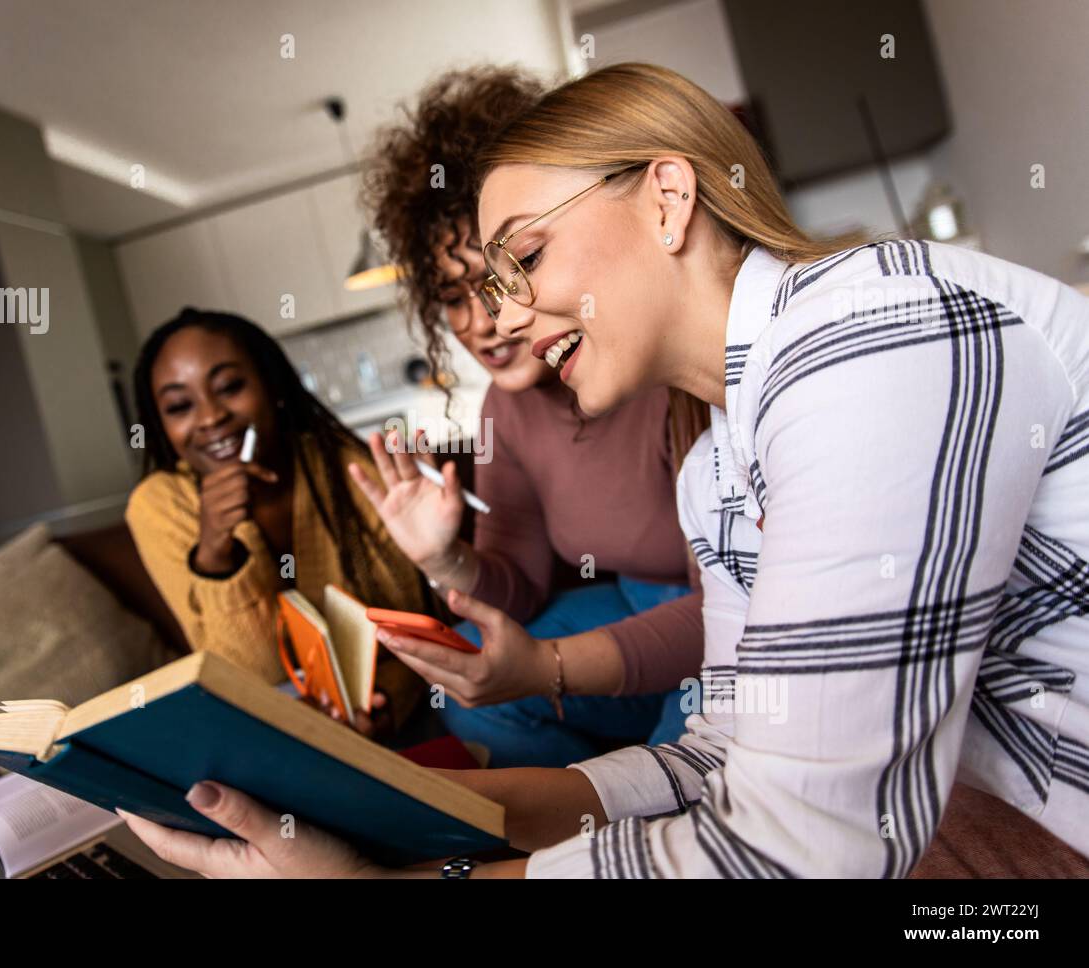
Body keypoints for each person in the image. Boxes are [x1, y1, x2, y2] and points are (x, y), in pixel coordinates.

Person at [124, 64, 1089, 877]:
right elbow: (721, 751)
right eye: (482, 290)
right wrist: (438, 809)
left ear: (669, 199)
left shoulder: (869, 340)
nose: (502, 318)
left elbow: (803, 850)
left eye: (525, 258)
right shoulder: (718, 466)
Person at [349, 65, 707, 768]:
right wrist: (444, 558)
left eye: (512, 269)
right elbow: (519, 582)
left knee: (691, 757)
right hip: (631, 605)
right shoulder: (505, 409)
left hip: (715, 614)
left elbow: (731, 611)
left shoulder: (666, 362)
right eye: (455, 295)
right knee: (475, 689)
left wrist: (550, 668)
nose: (490, 319)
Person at [125, 308, 432, 736]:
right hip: (264, 733)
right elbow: (256, 674)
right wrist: (217, 549)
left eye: (230, 387)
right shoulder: (159, 505)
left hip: (395, 720)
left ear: (273, 387)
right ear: (162, 426)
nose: (211, 417)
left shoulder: (351, 470)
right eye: (180, 406)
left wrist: (381, 708)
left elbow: (409, 627)